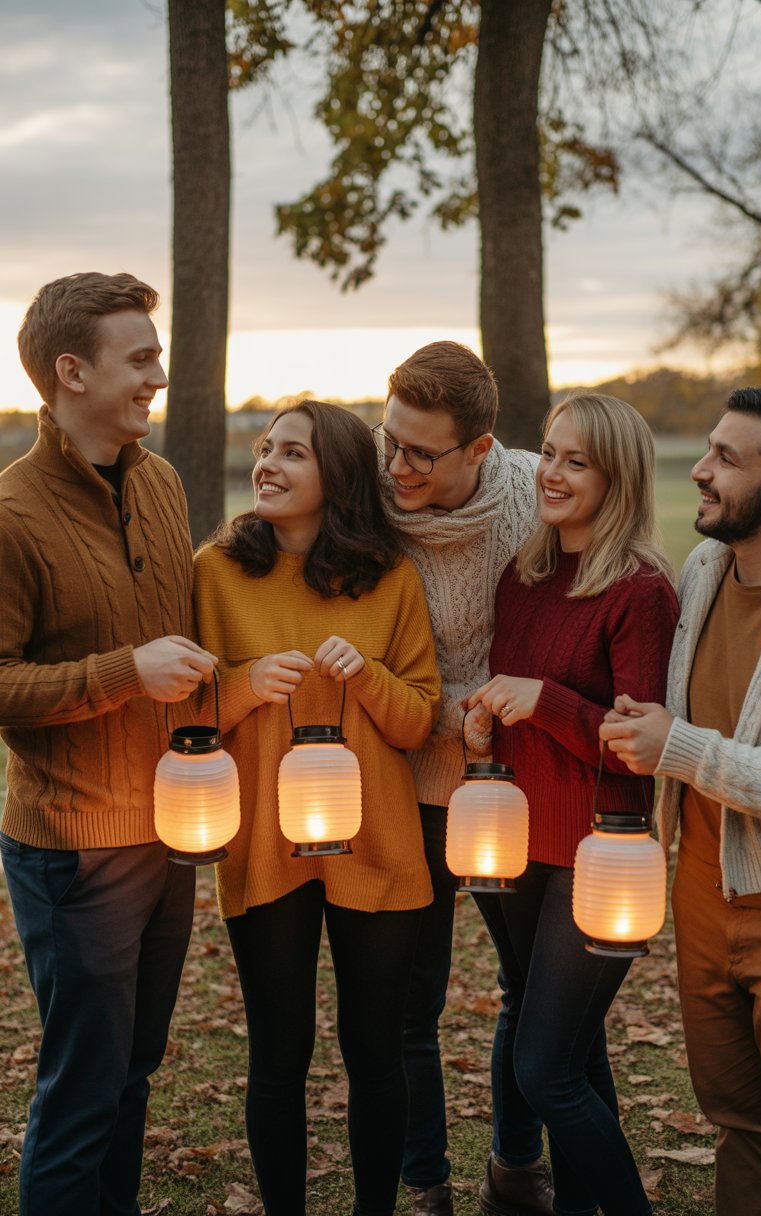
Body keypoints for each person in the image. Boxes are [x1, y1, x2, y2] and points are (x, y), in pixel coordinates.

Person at [0, 272, 217, 1216]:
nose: (158, 377)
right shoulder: (9, 515)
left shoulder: (162, 482)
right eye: (141, 359)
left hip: (170, 828)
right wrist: (124, 671)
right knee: (82, 1094)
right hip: (74, 851)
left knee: (134, 1072)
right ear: (71, 371)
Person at [193, 399, 441, 1216]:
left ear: (336, 475)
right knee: (279, 1054)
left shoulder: (391, 578)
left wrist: (366, 674)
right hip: (262, 843)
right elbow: (182, 715)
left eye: (291, 453)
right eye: (265, 449)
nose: (266, 463)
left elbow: (418, 721)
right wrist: (240, 687)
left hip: (379, 844)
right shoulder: (215, 572)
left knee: (375, 1053)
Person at [599, 387, 761, 1216]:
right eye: (707, 449)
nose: (699, 470)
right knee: (741, 1124)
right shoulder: (702, 570)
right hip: (700, 894)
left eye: (726, 460)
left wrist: (678, 748)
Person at [466, 390, 679, 1216]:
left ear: (616, 476)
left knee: (545, 1066)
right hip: (516, 838)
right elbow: (516, 706)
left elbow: (635, 749)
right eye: (549, 452)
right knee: (565, 1043)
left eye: (575, 460)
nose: (551, 472)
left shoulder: (640, 593)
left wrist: (543, 699)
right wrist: (485, 726)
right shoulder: (526, 575)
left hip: (601, 848)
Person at [374, 341, 551, 1216]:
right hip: (404, 774)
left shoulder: (534, 499)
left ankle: (516, 1167)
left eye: (420, 452)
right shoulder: (368, 499)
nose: (397, 466)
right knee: (413, 1007)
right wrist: (449, 712)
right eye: (390, 440)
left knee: (527, 989)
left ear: (480, 449)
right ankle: (425, 1182)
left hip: (508, 786)